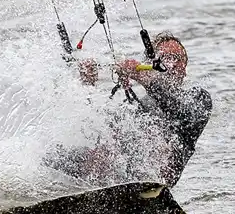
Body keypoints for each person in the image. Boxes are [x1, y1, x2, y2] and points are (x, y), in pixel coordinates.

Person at [62, 32, 212, 186]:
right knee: (77, 152)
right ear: (151, 65)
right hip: (122, 180)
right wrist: (87, 87)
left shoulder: (198, 99)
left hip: (156, 181)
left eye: (176, 58)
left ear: (185, 67)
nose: (170, 64)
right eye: (164, 58)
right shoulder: (138, 106)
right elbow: (95, 130)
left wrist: (145, 79)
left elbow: (179, 112)